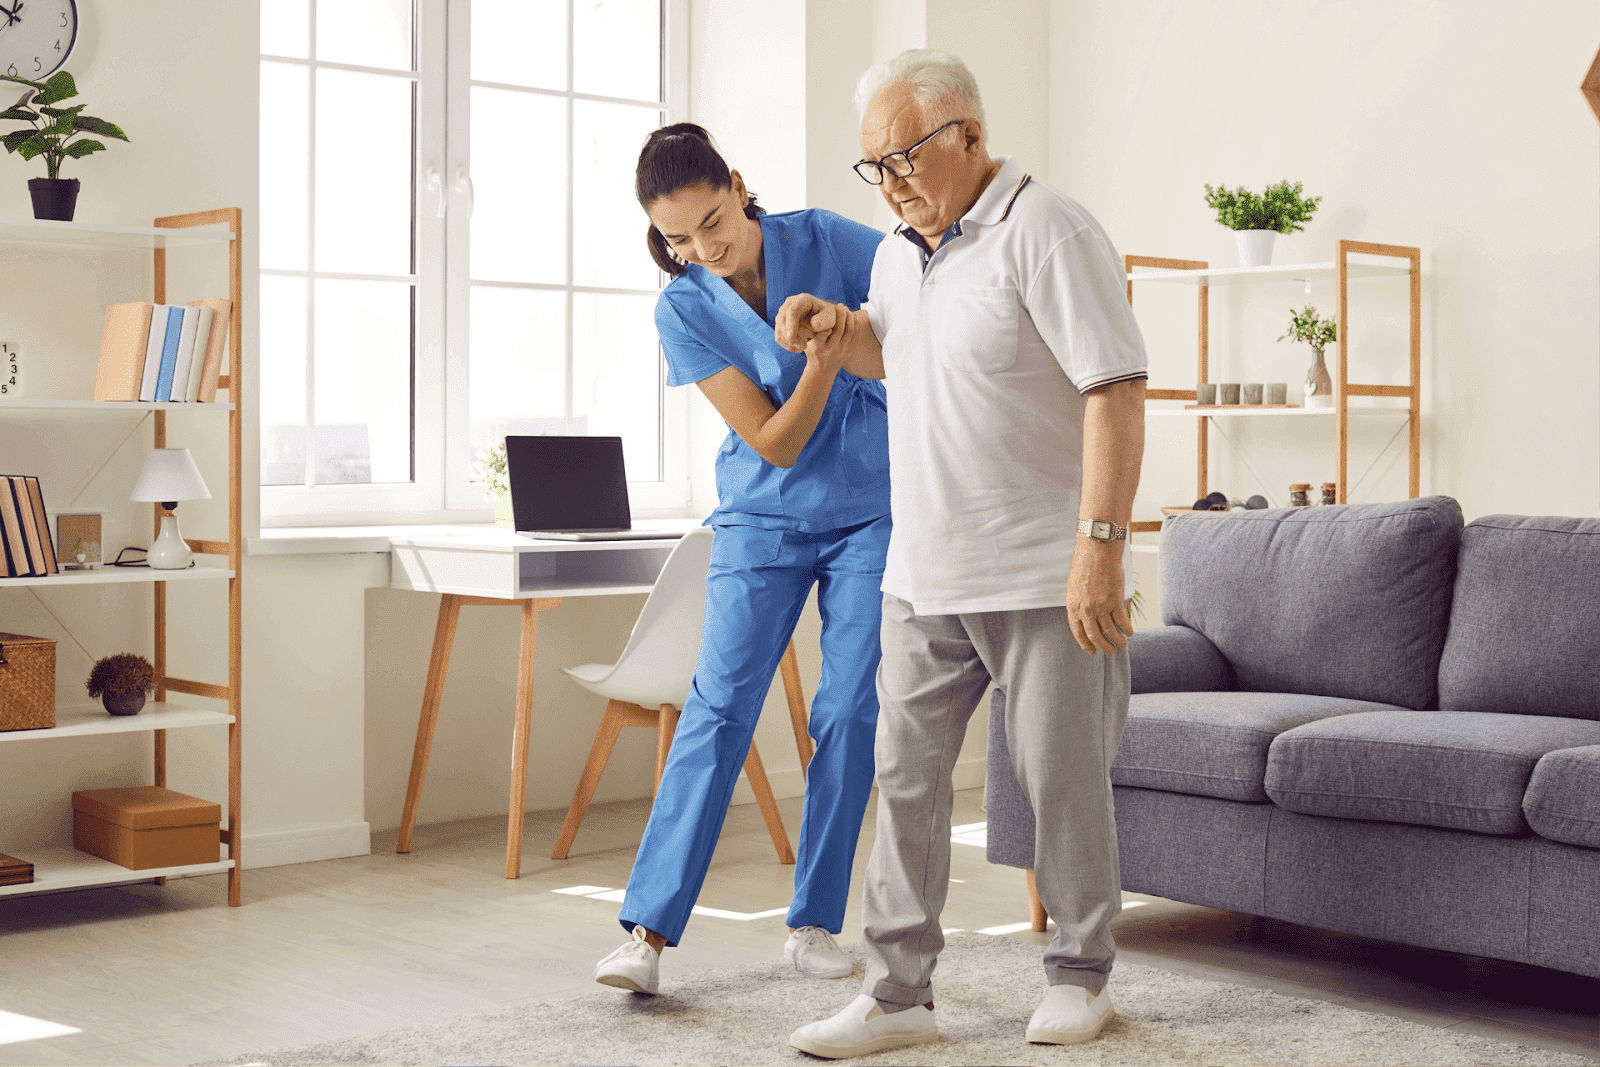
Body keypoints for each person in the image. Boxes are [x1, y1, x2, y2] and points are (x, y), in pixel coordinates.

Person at [775, 50, 1148, 1058]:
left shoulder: (1048, 228)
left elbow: (1114, 387)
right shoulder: (898, 253)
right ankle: (898, 992)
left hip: (1041, 568)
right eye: (873, 165)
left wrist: (1099, 551)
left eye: (905, 157)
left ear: (969, 137)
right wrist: (836, 331)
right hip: (924, 569)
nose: (890, 180)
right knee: (904, 781)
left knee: (1059, 780)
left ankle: (1082, 972)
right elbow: (904, 352)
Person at [591, 123, 891, 996]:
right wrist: (826, 366)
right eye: (678, 238)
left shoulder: (831, 239)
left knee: (846, 711)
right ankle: (644, 934)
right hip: (762, 516)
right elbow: (772, 439)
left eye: (713, 221)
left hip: (872, 512)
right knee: (718, 709)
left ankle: (813, 923)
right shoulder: (683, 305)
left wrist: (849, 332)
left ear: (738, 184)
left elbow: (925, 287)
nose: (703, 248)